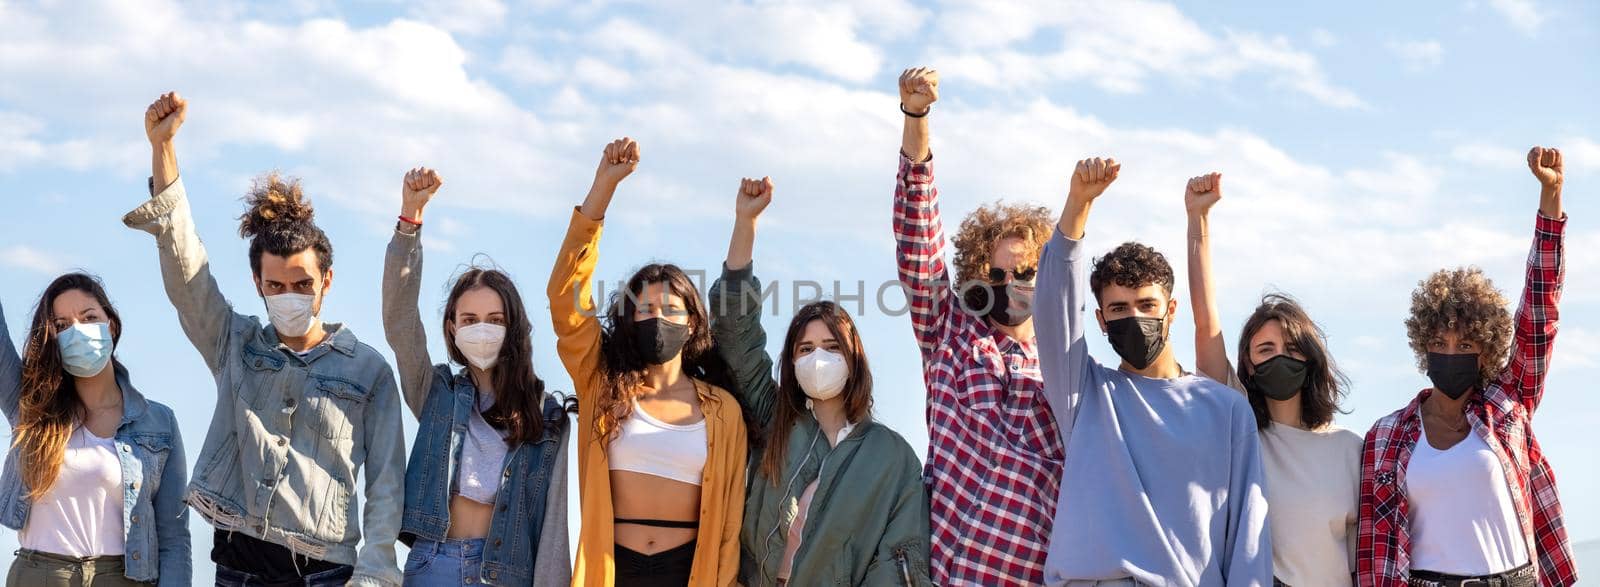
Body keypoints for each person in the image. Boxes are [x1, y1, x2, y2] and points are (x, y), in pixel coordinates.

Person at [123, 92, 404, 586]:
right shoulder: (236, 345)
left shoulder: (369, 371)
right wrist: (163, 150)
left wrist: (375, 575)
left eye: (302, 284)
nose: (288, 295)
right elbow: (189, 277)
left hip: (326, 572)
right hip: (239, 569)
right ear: (259, 284)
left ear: (327, 282)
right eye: (276, 286)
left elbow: (386, 485)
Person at [1034, 157, 1272, 585]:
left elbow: (1248, 538)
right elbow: (1054, 308)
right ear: (1102, 322)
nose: (1135, 317)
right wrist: (1077, 206)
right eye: (1119, 309)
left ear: (1170, 311)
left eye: (1147, 306)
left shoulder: (1227, 409)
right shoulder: (1085, 393)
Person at [1358, 146, 1576, 586]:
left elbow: (1538, 317)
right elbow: (1373, 552)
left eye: (1466, 342)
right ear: (1423, 345)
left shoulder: (1507, 404)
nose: (1451, 352)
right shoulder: (1385, 438)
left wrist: (1550, 201)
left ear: (1487, 350)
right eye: (1440, 342)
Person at [707, 177, 932, 586]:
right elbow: (735, 335)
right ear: (791, 363)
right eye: (805, 349)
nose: (818, 358)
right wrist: (746, 223)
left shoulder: (891, 457)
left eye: (831, 347)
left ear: (854, 359)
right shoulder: (774, 420)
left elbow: (900, 559)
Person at [547, 137, 747, 586]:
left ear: (693, 324)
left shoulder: (723, 412)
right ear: (628, 318)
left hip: (689, 571)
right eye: (645, 310)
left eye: (672, 310)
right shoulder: (601, 384)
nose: (658, 319)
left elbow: (730, 527)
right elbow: (565, 299)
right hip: (612, 568)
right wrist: (602, 190)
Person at [893, 66, 1065, 585]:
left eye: (1027, 271)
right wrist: (916, 117)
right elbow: (918, 244)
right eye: (998, 272)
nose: (1012, 282)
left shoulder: (1069, 368)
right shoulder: (950, 333)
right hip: (945, 571)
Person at [381, 168, 573, 586]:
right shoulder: (437, 393)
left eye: (494, 319)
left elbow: (553, 523)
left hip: (506, 575)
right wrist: (409, 222)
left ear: (513, 327)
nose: (481, 329)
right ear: (452, 327)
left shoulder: (548, 416)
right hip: (434, 564)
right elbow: (400, 326)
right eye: (469, 319)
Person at [1184, 172, 1362, 586]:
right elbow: (1206, 324)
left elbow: (1361, 558)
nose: (1279, 358)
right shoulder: (1240, 432)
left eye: (1291, 348)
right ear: (1247, 365)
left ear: (1311, 358)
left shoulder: (1350, 449)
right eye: (1265, 350)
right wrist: (1198, 221)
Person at [1, 274, 190, 586]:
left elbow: (174, 537)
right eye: (61, 325)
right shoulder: (31, 408)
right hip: (40, 575)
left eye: (89, 318)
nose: (77, 331)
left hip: (122, 577)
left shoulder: (158, 421)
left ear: (110, 324)